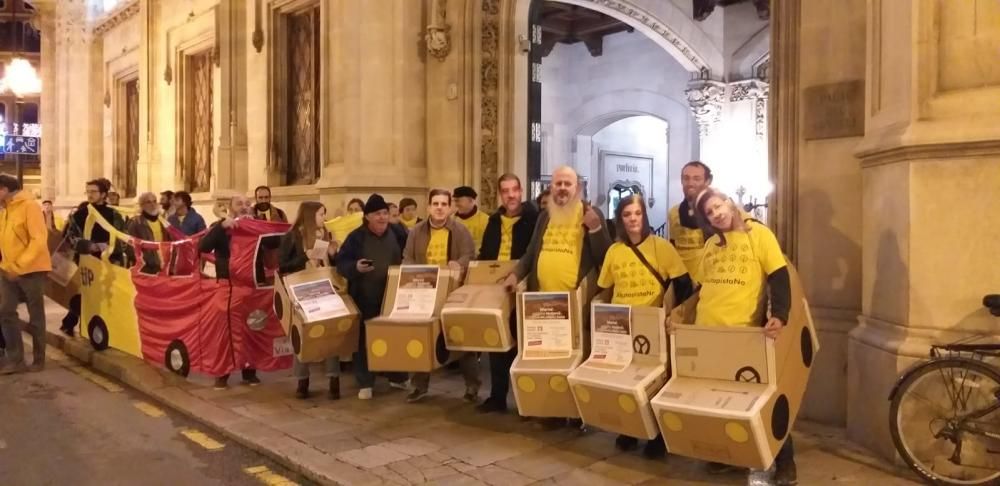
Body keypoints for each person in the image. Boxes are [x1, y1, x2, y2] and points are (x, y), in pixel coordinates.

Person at [690, 187, 795, 484]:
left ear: (728, 201)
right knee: (718, 401)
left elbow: (778, 275)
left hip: (743, 334)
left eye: (717, 206)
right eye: (709, 213)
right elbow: (701, 288)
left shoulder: (759, 235)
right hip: (707, 332)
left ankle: (785, 462)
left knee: (765, 399)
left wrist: (780, 314)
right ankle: (730, 458)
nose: (716, 214)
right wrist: (678, 314)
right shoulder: (711, 244)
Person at [503, 166, 612, 427]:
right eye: (558, 184)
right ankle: (551, 409)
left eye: (568, 184)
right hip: (541, 301)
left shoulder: (591, 214)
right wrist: (515, 275)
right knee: (549, 357)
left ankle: (575, 413)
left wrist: (596, 230)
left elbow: (606, 258)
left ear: (578, 188)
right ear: (551, 187)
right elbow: (531, 253)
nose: (562, 188)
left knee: (573, 357)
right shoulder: (544, 216)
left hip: (574, 303)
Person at [597, 193, 694, 458]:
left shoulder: (661, 247)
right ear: (620, 219)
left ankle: (657, 436)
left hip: (654, 325)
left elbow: (683, 285)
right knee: (625, 382)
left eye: (637, 214)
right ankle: (629, 429)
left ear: (645, 216)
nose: (633, 219)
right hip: (621, 325)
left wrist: (675, 315)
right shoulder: (614, 252)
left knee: (655, 382)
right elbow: (604, 289)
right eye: (627, 215)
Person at [402, 189, 479, 403]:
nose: (439, 208)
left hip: (452, 291)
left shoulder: (460, 230)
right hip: (423, 292)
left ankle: (472, 385)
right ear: (428, 207)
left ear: (450, 207)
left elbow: (469, 255)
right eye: (435, 203)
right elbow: (406, 258)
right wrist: (415, 273)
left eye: (443, 204)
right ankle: (419, 386)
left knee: (462, 338)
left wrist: (459, 263)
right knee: (420, 337)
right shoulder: (416, 231)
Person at [336, 194, 411, 399]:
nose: (382, 218)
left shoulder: (398, 232)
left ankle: (397, 377)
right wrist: (355, 267)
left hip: (393, 295)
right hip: (365, 296)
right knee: (365, 340)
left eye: (385, 213)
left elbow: (410, 254)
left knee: (394, 336)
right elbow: (341, 263)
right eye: (377, 214)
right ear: (367, 216)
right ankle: (365, 382)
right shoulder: (356, 237)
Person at [475, 173, 538, 413]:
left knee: (524, 345)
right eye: (505, 191)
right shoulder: (493, 221)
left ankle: (528, 402)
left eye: (514, 190)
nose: (511, 195)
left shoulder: (534, 219)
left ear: (521, 191)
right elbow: (485, 254)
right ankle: (497, 397)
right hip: (496, 288)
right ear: (500, 194)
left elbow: (532, 254)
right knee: (497, 342)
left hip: (523, 287)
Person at [277, 201, 342, 400]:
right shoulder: (293, 236)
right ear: (310, 215)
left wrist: (333, 254)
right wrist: (304, 256)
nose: (324, 218)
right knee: (303, 334)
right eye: (322, 214)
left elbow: (331, 264)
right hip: (302, 289)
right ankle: (302, 381)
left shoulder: (326, 234)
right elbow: (283, 266)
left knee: (331, 332)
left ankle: (334, 380)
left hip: (325, 287)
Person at [199, 195, 261, 389]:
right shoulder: (220, 227)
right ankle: (222, 374)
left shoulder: (256, 226)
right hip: (228, 286)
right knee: (225, 333)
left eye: (246, 204)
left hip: (250, 287)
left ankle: (249, 372)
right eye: (239, 204)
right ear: (230, 208)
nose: (244, 207)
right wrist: (221, 226)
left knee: (251, 329)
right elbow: (203, 246)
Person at [62, 178, 128, 336]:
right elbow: (69, 237)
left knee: (108, 296)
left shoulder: (114, 214)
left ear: (104, 194)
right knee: (86, 295)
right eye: (88, 191)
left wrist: (109, 247)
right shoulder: (80, 214)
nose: (90, 195)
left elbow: (123, 237)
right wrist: (88, 246)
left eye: (94, 191)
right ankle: (73, 322)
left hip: (109, 261)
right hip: (86, 262)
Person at [0, 174, 52, 374]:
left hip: (31, 270)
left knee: (36, 315)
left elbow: (38, 240)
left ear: (4, 189)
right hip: (7, 269)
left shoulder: (29, 206)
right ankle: (16, 359)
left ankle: (39, 359)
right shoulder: (5, 209)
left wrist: (19, 266)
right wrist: (7, 266)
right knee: (5, 312)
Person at [669, 161, 713, 281]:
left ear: (707, 181)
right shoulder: (673, 212)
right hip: (681, 281)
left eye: (697, 178)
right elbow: (672, 247)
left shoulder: (716, 211)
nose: (690, 183)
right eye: (686, 178)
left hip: (709, 280)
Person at [126, 192, 172, 274]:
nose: (153, 205)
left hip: (163, 265)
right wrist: (145, 261)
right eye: (149, 202)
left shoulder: (163, 222)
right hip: (146, 268)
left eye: (154, 201)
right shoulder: (136, 223)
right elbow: (130, 247)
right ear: (142, 205)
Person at [452, 186, 490, 251]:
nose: (456, 204)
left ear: (471, 201)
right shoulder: (451, 220)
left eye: (458, 201)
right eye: (455, 201)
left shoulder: (486, 220)